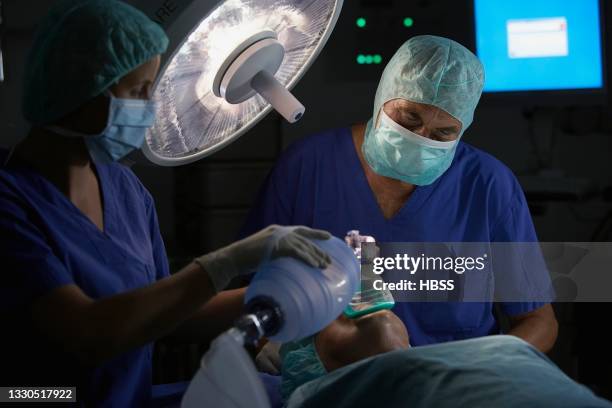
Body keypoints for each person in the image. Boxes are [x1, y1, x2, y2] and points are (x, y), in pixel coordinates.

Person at [0, 1, 332, 406]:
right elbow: (84, 334)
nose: (151, 107)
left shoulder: (126, 190)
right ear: (79, 88)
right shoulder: (11, 202)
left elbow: (170, 314)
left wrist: (294, 292)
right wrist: (227, 261)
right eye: (139, 91)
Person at [241, 35, 558, 352]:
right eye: (409, 118)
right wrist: (273, 346)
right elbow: (251, 293)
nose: (421, 139)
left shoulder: (488, 184)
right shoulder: (308, 167)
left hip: (449, 387)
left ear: (462, 129)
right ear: (383, 97)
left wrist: (482, 370)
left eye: (442, 132)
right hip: (333, 380)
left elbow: (538, 321)